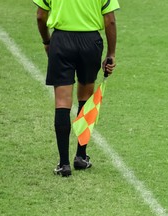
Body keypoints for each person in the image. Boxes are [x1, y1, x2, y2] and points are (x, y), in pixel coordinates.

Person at [33, 0, 120, 177]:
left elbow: (41, 16)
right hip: (90, 42)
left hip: (61, 42)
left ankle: (64, 164)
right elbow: (110, 20)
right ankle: (81, 156)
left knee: (62, 101)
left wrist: (47, 41)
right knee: (86, 97)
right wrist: (111, 53)